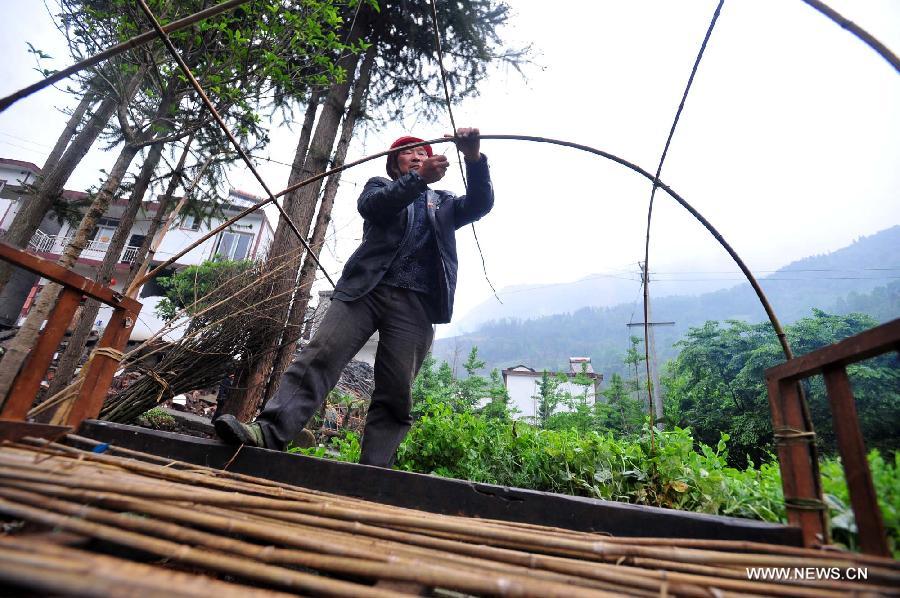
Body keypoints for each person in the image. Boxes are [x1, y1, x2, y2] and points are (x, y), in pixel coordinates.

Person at [214, 128, 494, 467]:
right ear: (395, 164)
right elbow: (375, 207)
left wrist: (474, 157)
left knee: (396, 391)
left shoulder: (445, 203)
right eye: (409, 153)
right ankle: (269, 434)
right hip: (365, 291)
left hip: (416, 305)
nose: (418, 156)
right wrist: (418, 180)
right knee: (318, 357)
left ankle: (374, 471)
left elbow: (481, 203)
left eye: (423, 153)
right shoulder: (380, 187)